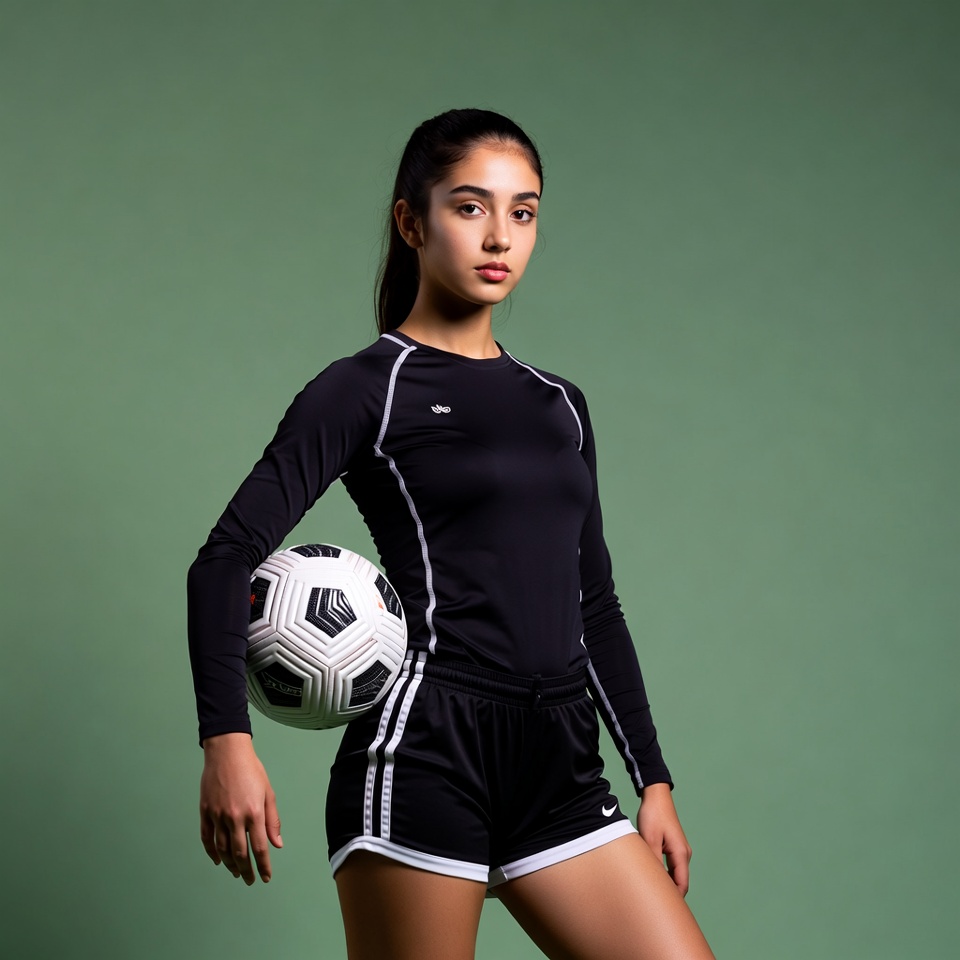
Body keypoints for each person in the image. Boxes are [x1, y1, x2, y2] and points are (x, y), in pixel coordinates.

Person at [187, 107, 715, 960]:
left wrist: (652, 779)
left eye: (524, 211)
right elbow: (222, 564)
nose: (500, 235)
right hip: (428, 753)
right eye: (470, 207)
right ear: (411, 221)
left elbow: (595, 606)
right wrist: (228, 742)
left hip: (562, 766)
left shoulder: (559, 403)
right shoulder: (366, 388)